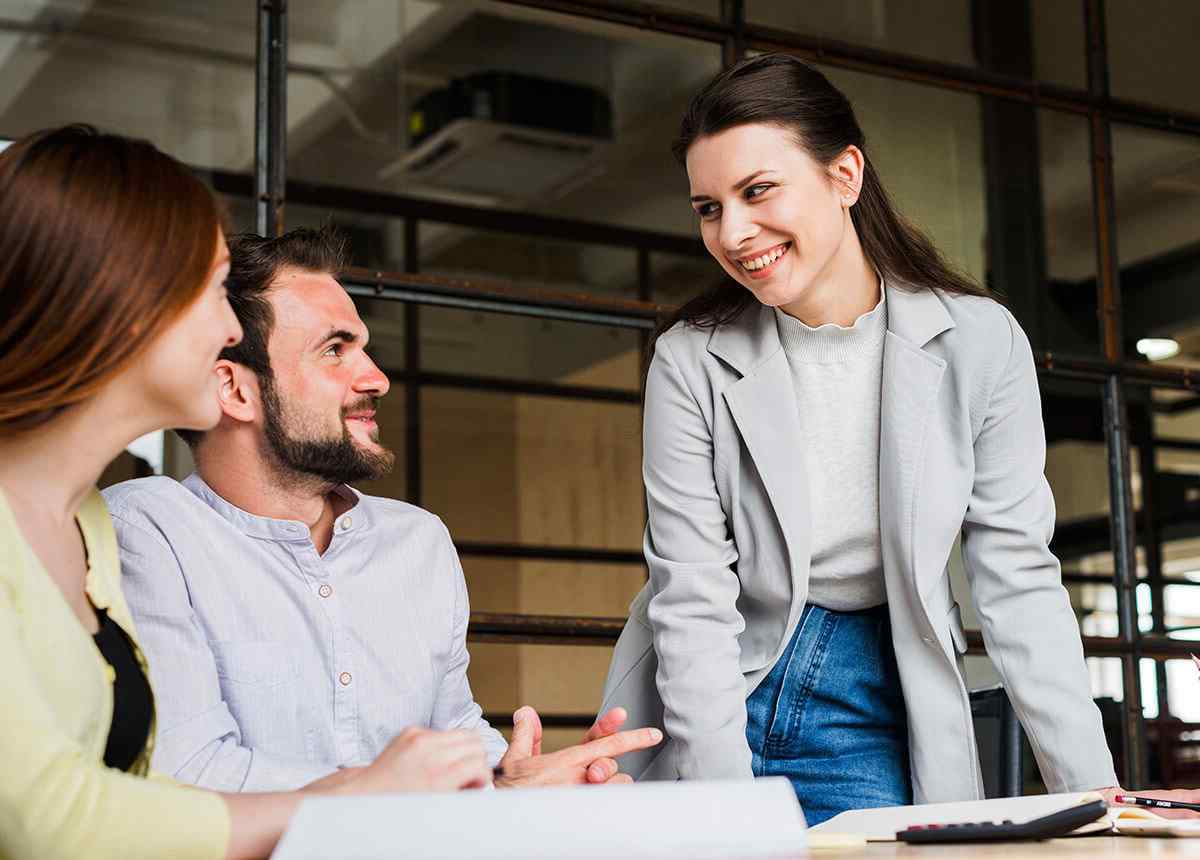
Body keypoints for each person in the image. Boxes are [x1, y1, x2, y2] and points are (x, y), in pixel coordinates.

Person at [598, 53, 1118, 824]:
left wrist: (1097, 795)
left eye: (757, 190)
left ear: (845, 175)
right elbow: (693, 599)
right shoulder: (690, 358)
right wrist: (731, 814)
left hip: (873, 686)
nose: (734, 233)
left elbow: (1017, 577)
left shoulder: (979, 342)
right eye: (709, 207)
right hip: (710, 690)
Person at [0, 125, 495, 860]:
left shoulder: (88, 526)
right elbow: (49, 820)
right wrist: (363, 799)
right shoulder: (138, 528)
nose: (228, 326)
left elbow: (135, 792)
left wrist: (504, 788)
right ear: (123, 302)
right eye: (208, 288)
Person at [102, 227, 660, 792]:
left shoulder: (417, 539)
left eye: (362, 348)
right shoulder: (147, 530)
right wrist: (418, 792)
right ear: (234, 389)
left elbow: (453, 727)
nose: (377, 378)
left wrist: (508, 775)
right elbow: (188, 772)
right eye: (334, 350)